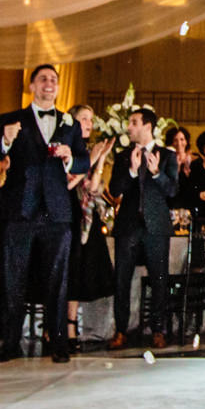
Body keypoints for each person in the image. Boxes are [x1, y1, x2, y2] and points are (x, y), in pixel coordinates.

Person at [0, 64, 90, 362]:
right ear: (32, 85)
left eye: (54, 80)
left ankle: (58, 344)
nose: (49, 83)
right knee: (13, 277)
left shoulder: (69, 123)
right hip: (20, 208)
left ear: (58, 88)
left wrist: (71, 157)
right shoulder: (12, 119)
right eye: (43, 79)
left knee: (57, 279)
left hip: (57, 211)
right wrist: (6, 140)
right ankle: (9, 344)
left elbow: (83, 161)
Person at [109, 106, 179, 349]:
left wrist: (156, 173)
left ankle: (158, 330)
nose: (129, 127)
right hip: (128, 226)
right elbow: (114, 189)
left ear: (147, 126)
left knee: (159, 280)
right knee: (122, 280)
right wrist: (130, 170)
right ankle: (120, 331)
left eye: (134, 122)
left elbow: (173, 191)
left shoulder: (167, 156)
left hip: (156, 226)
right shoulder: (122, 156)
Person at [64, 104, 117, 349]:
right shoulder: (65, 147)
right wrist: (93, 157)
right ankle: (62, 326)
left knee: (79, 273)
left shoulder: (86, 150)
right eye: (84, 118)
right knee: (67, 271)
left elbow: (93, 188)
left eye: (91, 119)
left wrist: (102, 157)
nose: (89, 123)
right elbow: (68, 181)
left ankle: (71, 325)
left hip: (85, 214)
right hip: (66, 213)